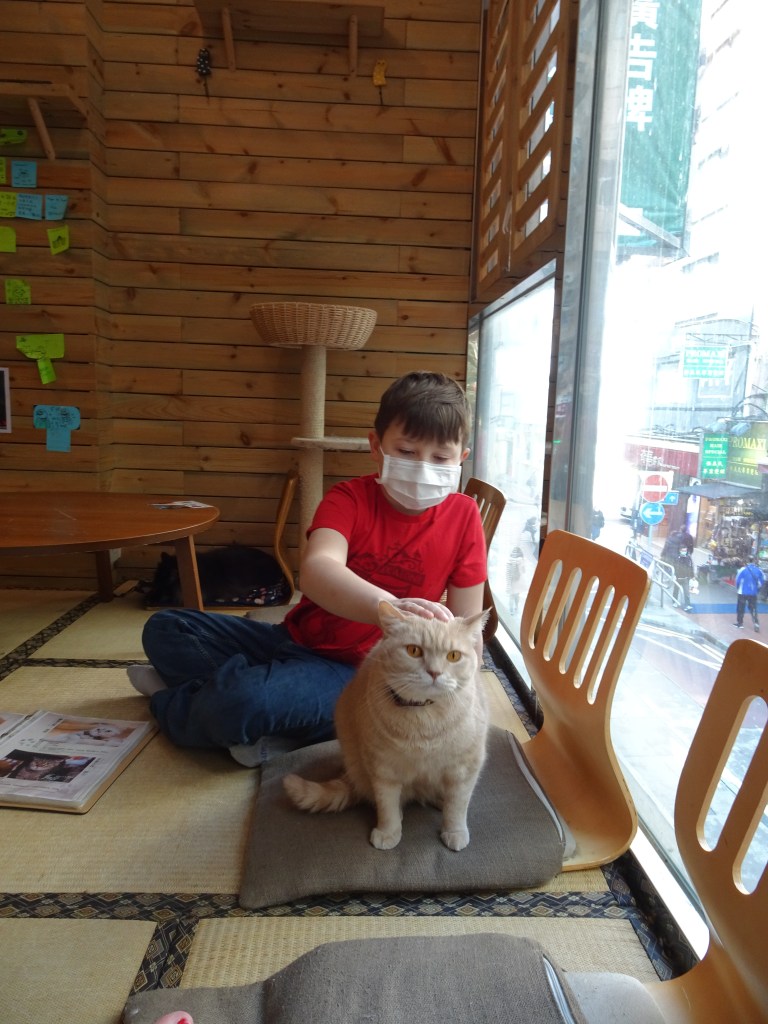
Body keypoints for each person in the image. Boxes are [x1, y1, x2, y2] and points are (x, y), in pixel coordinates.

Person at [127, 372, 487, 766]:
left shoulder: (464, 515)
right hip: (293, 638)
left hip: (364, 674)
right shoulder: (349, 498)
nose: (423, 468)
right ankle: (278, 718)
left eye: (440, 459)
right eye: (406, 451)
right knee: (167, 627)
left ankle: (175, 700)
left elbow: (468, 626)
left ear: (461, 459)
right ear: (376, 446)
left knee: (243, 702)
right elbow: (317, 570)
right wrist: (389, 607)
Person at [734, 558, 765, 632]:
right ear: (754, 561)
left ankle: (740, 623)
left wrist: (738, 589)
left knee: (741, 608)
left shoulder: (742, 569)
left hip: (742, 592)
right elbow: (762, 581)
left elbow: (737, 580)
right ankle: (756, 623)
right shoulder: (759, 570)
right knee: (753, 608)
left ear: (747, 561)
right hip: (753, 592)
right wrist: (757, 590)